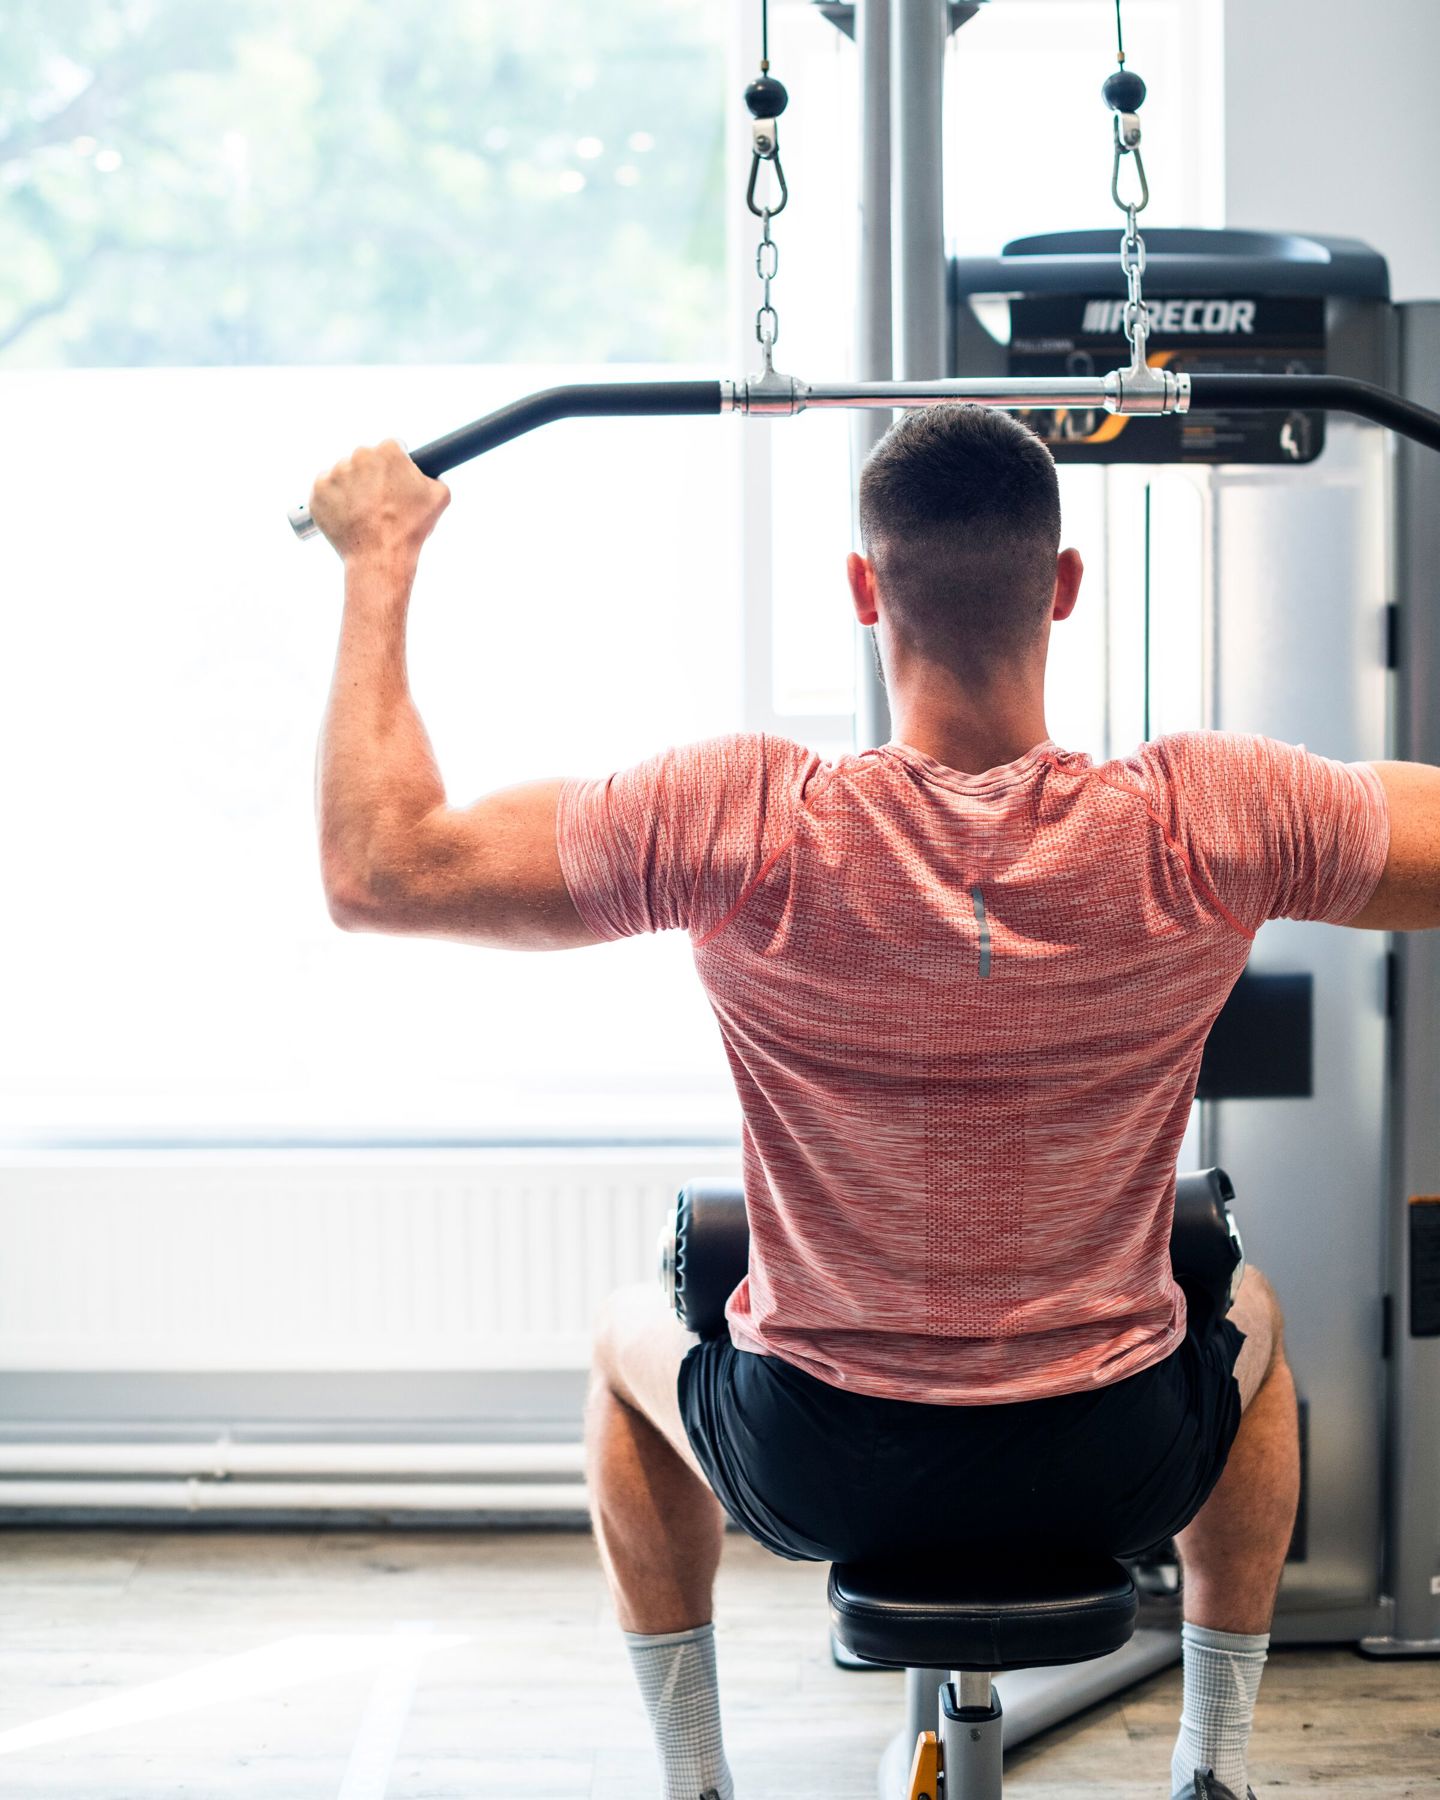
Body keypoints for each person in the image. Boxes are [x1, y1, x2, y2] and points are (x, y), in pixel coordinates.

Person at [305, 408, 1439, 1800]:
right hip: (1115, 1459)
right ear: (1064, 587)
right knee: (1246, 1306)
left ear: (863, 588)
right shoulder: (1209, 817)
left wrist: (378, 560)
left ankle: (697, 1781)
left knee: (620, 1337)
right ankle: (1214, 1766)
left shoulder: (742, 819)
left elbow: (384, 871)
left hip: (820, 1459)